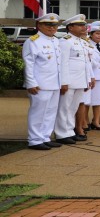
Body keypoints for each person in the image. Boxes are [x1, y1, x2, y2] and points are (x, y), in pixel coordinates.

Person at [23, 13, 63, 150]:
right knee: (38, 112)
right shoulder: (33, 41)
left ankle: (45, 137)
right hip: (40, 84)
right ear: (39, 25)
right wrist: (31, 83)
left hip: (54, 83)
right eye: (48, 25)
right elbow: (29, 64)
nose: (52, 28)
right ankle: (34, 140)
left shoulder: (56, 41)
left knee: (51, 112)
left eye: (54, 25)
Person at [56, 14, 94, 144]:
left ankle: (69, 131)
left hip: (80, 80)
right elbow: (63, 63)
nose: (84, 27)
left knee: (73, 108)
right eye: (80, 25)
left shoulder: (82, 42)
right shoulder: (65, 41)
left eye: (84, 25)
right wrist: (64, 82)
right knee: (64, 107)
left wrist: (88, 79)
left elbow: (86, 63)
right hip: (69, 81)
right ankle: (61, 133)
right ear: (70, 27)